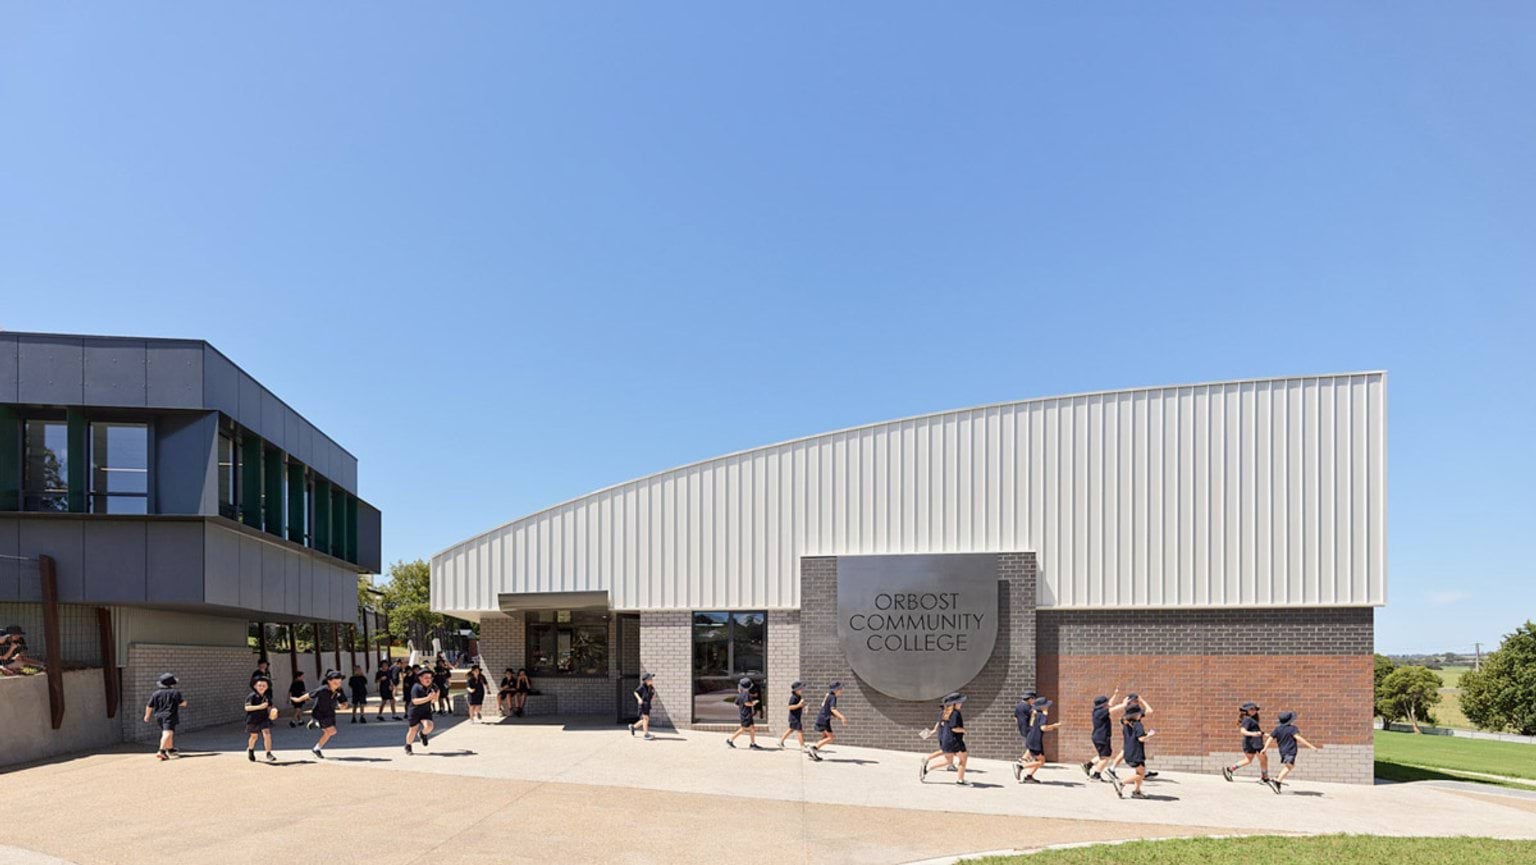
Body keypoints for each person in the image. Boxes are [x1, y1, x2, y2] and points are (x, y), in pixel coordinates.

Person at [293, 670, 350, 759]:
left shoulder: (339, 690)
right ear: (329, 681)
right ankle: (315, 722)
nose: (338, 683)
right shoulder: (323, 689)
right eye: (335, 681)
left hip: (330, 713)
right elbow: (310, 694)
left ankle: (316, 749)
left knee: (331, 732)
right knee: (331, 731)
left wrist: (343, 706)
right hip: (319, 713)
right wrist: (298, 699)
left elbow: (344, 702)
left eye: (339, 681)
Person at [1262, 711, 1321, 793]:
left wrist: (1265, 748)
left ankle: (1278, 780)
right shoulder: (1293, 729)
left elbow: (1270, 738)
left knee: (1290, 766)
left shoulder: (1277, 729)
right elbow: (1299, 738)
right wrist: (1311, 746)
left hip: (1282, 751)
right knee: (1290, 766)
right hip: (1290, 751)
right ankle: (1277, 780)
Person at [920, 693, 969, 785]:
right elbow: (954, 728)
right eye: (959, 702)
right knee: (963, 758)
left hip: (944, 738)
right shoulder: (955, 713)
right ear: (954, 704)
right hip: (954, 740)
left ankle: (927, 768)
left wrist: (933, 730)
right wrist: (964, 730)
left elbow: (939, 723)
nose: (961, 704)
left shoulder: (944, 712)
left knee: (948, 761)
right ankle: (960, 781)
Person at [1107, 692, 1158, 780]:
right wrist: (1143, 701)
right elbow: (1150, 711)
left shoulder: (1133, 713)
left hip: (1132, 736)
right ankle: (1140, 773)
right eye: (1135, 701)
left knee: (1126, 750)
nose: (1137, 702)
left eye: (1137, 701)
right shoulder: (1132, 714)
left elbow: (1150, 711)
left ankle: (1143, 772)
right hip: (1132, 737)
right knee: (1132, 750)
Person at [1109, 706, 1156, 799]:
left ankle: (1137, 791)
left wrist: (1145, 735)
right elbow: (1141, 738)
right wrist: (1150, 735)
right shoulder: (1138, 725)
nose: (1141, 715)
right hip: (1136, 753)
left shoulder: (1126, 724)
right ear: (1135, 715)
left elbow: (1135, 736)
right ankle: (1121, 783)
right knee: (1141, 774)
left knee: (1139, 771)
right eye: (1139, 713)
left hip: (1128, 751)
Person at [1222, 702, 1271, 786]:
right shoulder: (1247, 719)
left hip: (1250, 742)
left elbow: (1255, 731)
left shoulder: (1250, 719)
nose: (1254, 710)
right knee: (1264, 759)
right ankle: (1265, 778)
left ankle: (1230, 769)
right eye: (1251, 709)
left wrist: (1265, 734)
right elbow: (1243, 731)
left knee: (1248, 760)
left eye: (1255, 709)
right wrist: (1254, 734)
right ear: (1246, 710)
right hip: (1254, 743)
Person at [1016, 697, 1062, 783]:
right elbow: (1043, 728)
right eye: (1046, 705)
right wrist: (1054, 726)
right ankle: (1021, 766)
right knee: (1041, 761)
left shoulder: (1034, 713)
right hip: (1035, 740)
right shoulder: (1042, 715)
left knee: (1039, 760)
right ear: (1042, 707)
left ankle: (1029, 776)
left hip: (1031, 738)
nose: (1048, 707)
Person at [143, 673, 187, 761]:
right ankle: (161, 751)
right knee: (168, 733)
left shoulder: (156, 693)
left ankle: (170, 749)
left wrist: (147, 715)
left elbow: (149, 705)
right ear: (171, 684)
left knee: (167, 732)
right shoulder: (175, 693)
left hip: (158, 716)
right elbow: (182, 703)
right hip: (170, 715)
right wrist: (184, 703)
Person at [1080, 691, 1119, 782]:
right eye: (1106, 703)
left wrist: (1116, 694)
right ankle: (1096, 776)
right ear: (1103, 705)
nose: (1108, 704)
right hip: (1102, 737)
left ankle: (1088, 765)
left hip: (1098, 736)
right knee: (1105, 757)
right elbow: (1113, 709)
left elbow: (1110, 704)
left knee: (1102, 755)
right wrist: (1124, 704)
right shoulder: (1101, 712)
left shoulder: (1097, 711)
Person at [807, 681, 846, 762]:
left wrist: (834, 715)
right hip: (824, 719)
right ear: (836, 689)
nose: (842, 690)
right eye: (840, 689)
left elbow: (827, 708)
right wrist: (841, 717)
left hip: (822, 718)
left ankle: (813, 752)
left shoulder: (828, 695)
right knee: (831, 738)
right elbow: (833, 709)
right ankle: (813, 749)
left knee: (825, 737)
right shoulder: (833, 697)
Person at [244, 676, 278, 762]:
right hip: (253, 719)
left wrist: (273, 711)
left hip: (264, 718)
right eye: (259, 685)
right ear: (255, 686)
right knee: (254, 737)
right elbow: (247, 708)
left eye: (264, 685)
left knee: (267, 734)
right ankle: (250, 750)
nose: (262, 687)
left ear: (267, 687)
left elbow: (270, 706)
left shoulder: (267, 697)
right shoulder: (251, 696)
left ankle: (268, 753)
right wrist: (259, 707)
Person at [405, 667, 437, 756]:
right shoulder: (416, 687)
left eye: (430, 678)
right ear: (420, 678)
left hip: (425, 711)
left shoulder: (433, 687)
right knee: (413, 730)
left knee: (429, 726)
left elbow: (434, 700)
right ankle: (408, 746)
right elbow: (415, 701)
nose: (428, 680)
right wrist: (428, 698)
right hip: (414, 711)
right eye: (426, 677)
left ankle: (422, 734)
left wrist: (434, 697)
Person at [725, 677, 763, 750]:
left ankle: (753, 744)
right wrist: (753, 703)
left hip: (744, 713)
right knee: (744, 729)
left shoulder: (741, 694)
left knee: (752, 728)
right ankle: (730, 740)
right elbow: (746, 703)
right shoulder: (746, 694)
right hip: (746, 715)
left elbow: (736, 703)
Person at [778, 681, 806, 750]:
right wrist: (799, 705)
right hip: (794, 717)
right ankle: (802, 746)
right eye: (800, 689)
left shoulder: (798, 697)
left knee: (791, 729)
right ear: (796, 690)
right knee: (799, 730)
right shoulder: (793, 697)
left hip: (796, 716)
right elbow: (790, 707)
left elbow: (798, 706)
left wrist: (803, 706)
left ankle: (780, 741)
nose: (802, 690)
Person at [629, 672, 656, 740]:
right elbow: (635, 692)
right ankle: (646, 734)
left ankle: (633, 727)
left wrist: (652, 693)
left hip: (647, 705)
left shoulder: (651, 687)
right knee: (645, 719)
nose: (652, 680)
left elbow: (652, 694)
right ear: (646, 680)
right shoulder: (642, 686)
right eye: (650, 679)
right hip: (643, 705)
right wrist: (639, 699)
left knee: (645, 719)